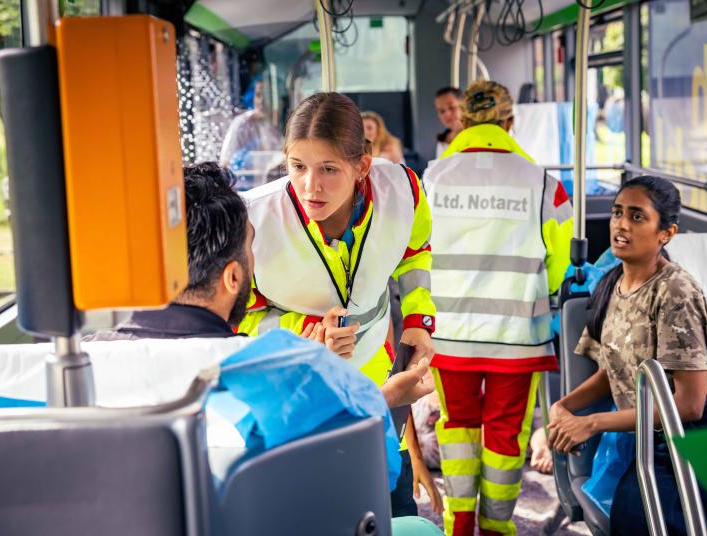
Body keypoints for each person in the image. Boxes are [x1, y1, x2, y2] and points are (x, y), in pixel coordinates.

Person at [85, 162, 433, 412]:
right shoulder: (263, 382)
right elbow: (363, 461)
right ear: (233, 277)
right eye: (251, 248)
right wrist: (384, 398)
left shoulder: (75, 365)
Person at [239, 92, 443, 517]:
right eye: (298, 167)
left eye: (329, 169)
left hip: (381, 388)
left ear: (362, 166)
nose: (311, 186)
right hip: (297, 400)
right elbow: (235, 319)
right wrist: (302, 332)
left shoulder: (403, 191)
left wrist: (420, 319)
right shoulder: (254, 221)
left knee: (392, 506)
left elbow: (414, 251)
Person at [548, 176, 707, 536]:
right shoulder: (613, 286)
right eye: (617, 213)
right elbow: (610, 371)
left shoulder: (675, 291)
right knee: (633, 516)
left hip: (704, 434)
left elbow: (691, 405)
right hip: (655, 437)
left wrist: (592, 422)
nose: (621, 224)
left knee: (645, 520)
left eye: (637, 216)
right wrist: (563, 407)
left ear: (666, 233)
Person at [422, 80, 573, 536]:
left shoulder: (431, 178)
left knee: (457, 426)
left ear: (462, 123)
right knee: (506, 431)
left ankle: (460, 521)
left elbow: (416, 250)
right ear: (510, 123)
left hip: (449, 334)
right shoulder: (543, 183)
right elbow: (560, 261)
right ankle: (497, 527)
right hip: (516, 338)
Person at [219, 75, 282, 189]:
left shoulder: (274, 124)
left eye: (266, 95)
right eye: (258, 95)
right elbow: (225, 161)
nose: (261, 101)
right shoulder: (242, 123)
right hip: (245, 189)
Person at [433, 87, 463, 158]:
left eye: (452, 107)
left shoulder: (477, 137)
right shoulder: (442, 142)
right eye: (441, 111)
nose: (447, 114)